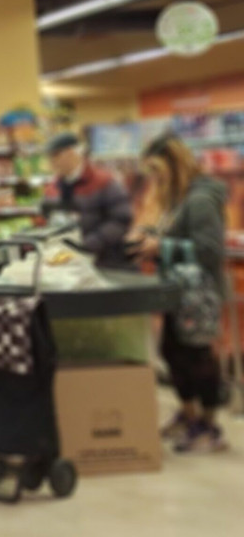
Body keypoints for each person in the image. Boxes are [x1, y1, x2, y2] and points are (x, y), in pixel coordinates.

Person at [128, 135, 228, 453]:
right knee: (172, 352)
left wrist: (162, 246)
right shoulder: (179, 198)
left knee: (198, 357)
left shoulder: (200, 199)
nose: (155, 179)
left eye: (158, 171)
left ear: (175, 164)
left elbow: (210, 250)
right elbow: (180, 235)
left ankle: (210, 426)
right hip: (177, 292)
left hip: (200, 294)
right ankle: (189, 414)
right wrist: (150, 237)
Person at [46, 133, 135, 269]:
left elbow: (121, 219)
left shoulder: (105, 182)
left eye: (55, 156)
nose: (52, 162)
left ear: (71, 153)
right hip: (69, 263)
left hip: (106, 262)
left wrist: (90, 243)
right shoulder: (54, 186)